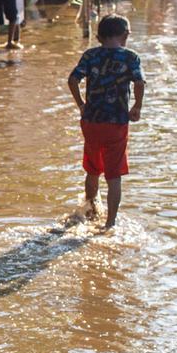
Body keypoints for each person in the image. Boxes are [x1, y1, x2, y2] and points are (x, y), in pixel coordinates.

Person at [67, 14, 145, 229]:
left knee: (92, 169)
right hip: (116, 123)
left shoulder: (91, 55)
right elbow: (139, 82)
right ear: (125, 34)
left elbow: (73, 79)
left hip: (91, 122)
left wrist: (81, 105)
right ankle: (109, 223)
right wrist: (137, 106)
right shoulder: (130, 57)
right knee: (114, 175)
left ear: (100, 36)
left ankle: (91, 212)